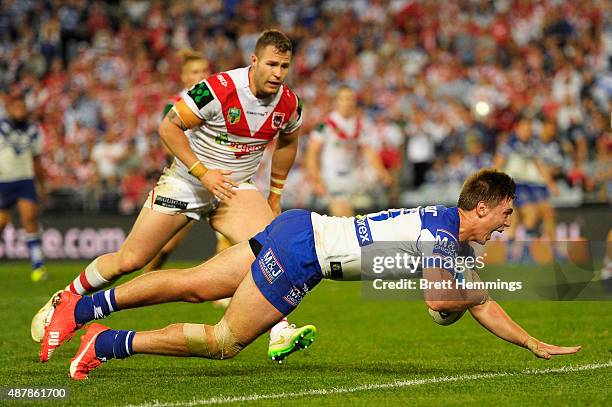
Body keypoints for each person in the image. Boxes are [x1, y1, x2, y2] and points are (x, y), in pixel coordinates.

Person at [39, 169, 581, 380]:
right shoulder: (442, 237)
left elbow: (474, 302)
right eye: (506, 214)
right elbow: (442, 302)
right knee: (226, 341)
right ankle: (107, 343)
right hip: (304, 255)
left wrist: (531, 343)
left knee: (195, 283)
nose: (508, 226)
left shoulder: (447, 233)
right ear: (483, 207)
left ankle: (80, 307)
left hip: (302, 227)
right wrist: (463, 299)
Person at [33, 29, 314, 361]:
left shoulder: (289, 102)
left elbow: (288, 141)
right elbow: (168, 127)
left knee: (271, 250)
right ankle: (66, 298)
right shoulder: (219, 90)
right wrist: (203, 173)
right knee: (130, 260)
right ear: (254, 61)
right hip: (187, 182)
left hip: (235, 187)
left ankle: (279, 329)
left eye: (284, 66)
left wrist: (275, 194)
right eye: (272, 64)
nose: (278, 74)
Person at [306, 86, 391, 216]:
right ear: (336, 102)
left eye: (351, 99)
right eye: (345, 99)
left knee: (350, 219)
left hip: (351, 177)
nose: (349, 102)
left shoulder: (359, 125)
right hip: (331, 177)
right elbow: (312, 152)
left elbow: (368, 150)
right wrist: (316, 179)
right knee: (342, 217)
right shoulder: (326, 124)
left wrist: (382, 171)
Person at [0, 92, 47, 282]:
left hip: (25, 180)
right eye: (16, 107)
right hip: (3, 180)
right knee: (1, 223)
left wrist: (41, 185)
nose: (20, 111)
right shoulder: (1, 127)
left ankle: (38, 265)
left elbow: (37, 160)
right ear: (9, 109)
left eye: (22, 107)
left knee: (29, 218)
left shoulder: (34, 130)